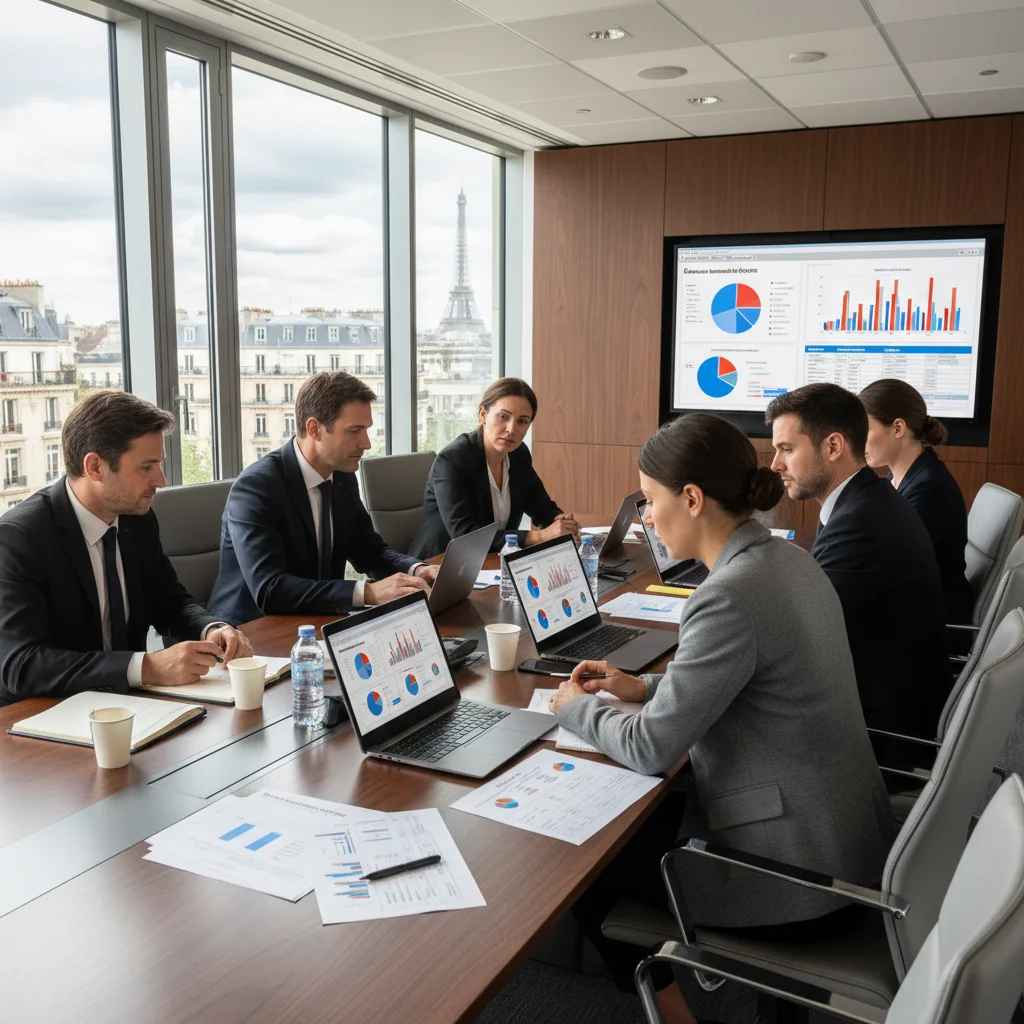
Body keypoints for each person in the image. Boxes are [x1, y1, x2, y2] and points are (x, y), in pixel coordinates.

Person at [551, 412, 893, 1024]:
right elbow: (758, 680)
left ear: (691, 497)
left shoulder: (729, 595)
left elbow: (653, 747)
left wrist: (576, 711)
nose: (647, 517)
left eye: (650, 501)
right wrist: (646, 684)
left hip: (792, 876)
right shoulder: (788, 561)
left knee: (585, 871)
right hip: (848, 844)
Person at [0, 390, 251, 705]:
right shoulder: (20, 538)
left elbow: (170, 601)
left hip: (130, 705)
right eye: (146, 467)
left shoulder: (137, 519)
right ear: (95, 467)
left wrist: (210, 629)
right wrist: (145, 667)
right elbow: (22, 665)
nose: (160, 479)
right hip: (44, 718)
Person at [766, 382, 950, 738]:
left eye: (786, 449)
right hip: (883, 698)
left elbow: (798, 638)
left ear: (833, 446)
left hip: (879, 733)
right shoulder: (866, 499)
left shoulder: (861, 524)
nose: (775, 464)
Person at [209, 372, 437, 626]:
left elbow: (369, 552)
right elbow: (270, 589)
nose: (367, 443)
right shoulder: (256, 487)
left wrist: (417, 569)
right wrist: (369, 592)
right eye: (355, 431)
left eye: (367, 430)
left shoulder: (341, 476)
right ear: (314, 429)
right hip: (250, 632)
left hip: (316, 621)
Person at [408, 377, 578, 559]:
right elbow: (466, 536)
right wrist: (539, 536)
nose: (511, 429)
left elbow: (543, 508)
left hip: (491, 563)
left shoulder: (518, 454)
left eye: (522, 421)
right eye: (503, 416)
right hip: (440, 567)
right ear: (483, 415)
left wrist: (561, 524)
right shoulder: (452, 460)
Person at [860, 378, 972, 626]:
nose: (858, 441)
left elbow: (889, 566)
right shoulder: (899, 478)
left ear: (898, 428)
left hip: (929, 625)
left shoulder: (929, 488)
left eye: (864, 430)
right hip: (913, 610)